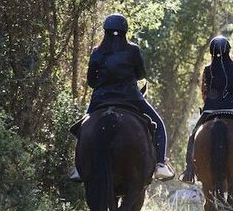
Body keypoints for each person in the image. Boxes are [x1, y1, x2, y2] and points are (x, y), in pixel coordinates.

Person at [70, 14, 174, 181]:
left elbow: (91, 81)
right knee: (159, 125)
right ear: (125, 31)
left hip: (101, 99)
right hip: (131, 98)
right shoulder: (133, 50)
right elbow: (141, 75)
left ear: (105, 31)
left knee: (82, 129)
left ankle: (79, 167)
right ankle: (160, 165)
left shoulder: (97, 52)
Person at [179, 35, 233, 184]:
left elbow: (204, 92)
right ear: (228, 50)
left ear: (211, 52)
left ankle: (189, 171)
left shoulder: (208, 69)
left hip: (211, 109)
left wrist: (212, 102)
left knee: (193, 136)